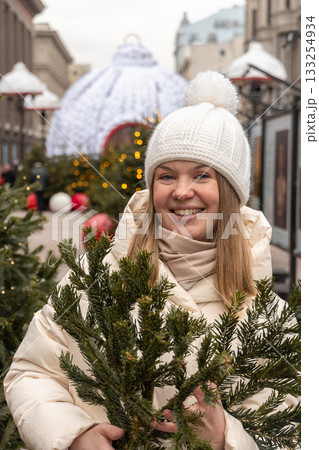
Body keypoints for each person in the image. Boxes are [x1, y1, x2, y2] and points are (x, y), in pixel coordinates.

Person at [4, 72, 295, 449]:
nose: (182, 191)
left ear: (229, 191)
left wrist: (227, 438)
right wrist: (73, 436)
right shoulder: (97, 278)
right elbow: (30, 372)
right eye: (167, 175)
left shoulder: (265, 310)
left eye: (202, 175)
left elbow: (297, 426)